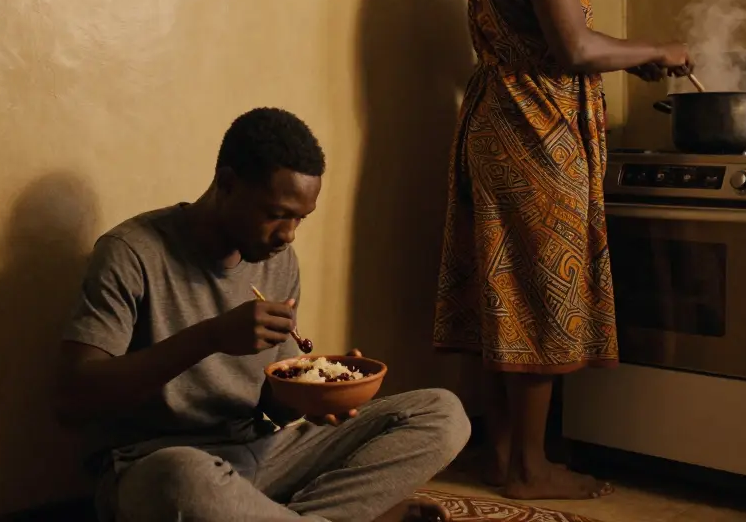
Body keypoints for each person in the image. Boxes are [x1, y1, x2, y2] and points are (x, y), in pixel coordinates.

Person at [433, 0, 693, 502]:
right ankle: (531, 469)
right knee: (541, 301)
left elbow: (552, 41)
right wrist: (657, 50)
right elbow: (575, 51)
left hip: (492, 126)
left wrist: (626, 59)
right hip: (535, 135)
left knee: (505, 295)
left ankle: (502, 456)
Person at [57, 108, 469, 522]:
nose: (288, 234)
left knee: (441, 412)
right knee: (182, 480)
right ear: (228, 183)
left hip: (262, 455)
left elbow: (269, 411)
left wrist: (314, 394)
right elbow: (75, 398)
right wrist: (211, 337)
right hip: (156, 465)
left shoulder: (278, 260)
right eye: (276, 214)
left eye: (299, 219)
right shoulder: (131, 252)